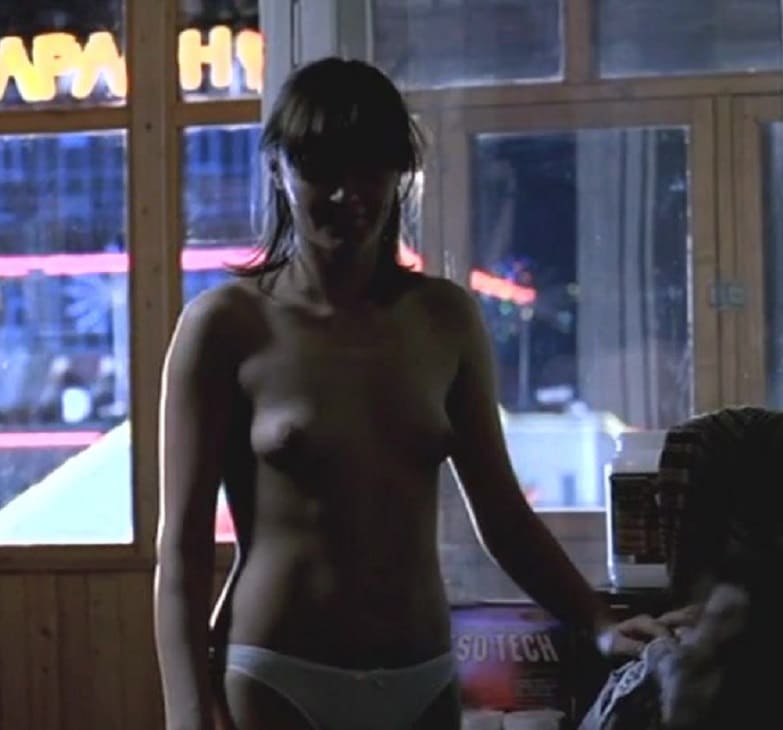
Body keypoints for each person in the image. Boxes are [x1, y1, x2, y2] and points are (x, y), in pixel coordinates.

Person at [154, 56, 672, 730]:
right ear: (278, 169)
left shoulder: (444, 319)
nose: (348, 195)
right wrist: (188, 715)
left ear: (400, 173)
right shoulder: (226, 325)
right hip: (277, 674)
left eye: (369, 169)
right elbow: (183, 550)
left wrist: (597, 622)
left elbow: (502, 515)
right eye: (321, 170)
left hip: (421, 677)